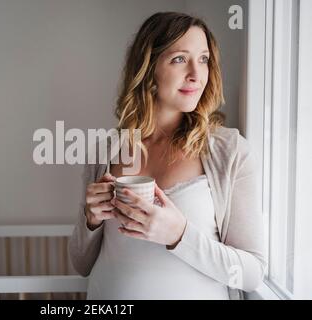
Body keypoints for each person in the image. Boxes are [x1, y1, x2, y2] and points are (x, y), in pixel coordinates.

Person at [68, 12, 266, 300]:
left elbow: (252, 273)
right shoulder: (105, 151)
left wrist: (180, 235)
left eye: (203, 59)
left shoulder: (231, 151)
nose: (196, 75)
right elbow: (81, 264)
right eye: (179, 59)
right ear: (149, 69)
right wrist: (90, 221)